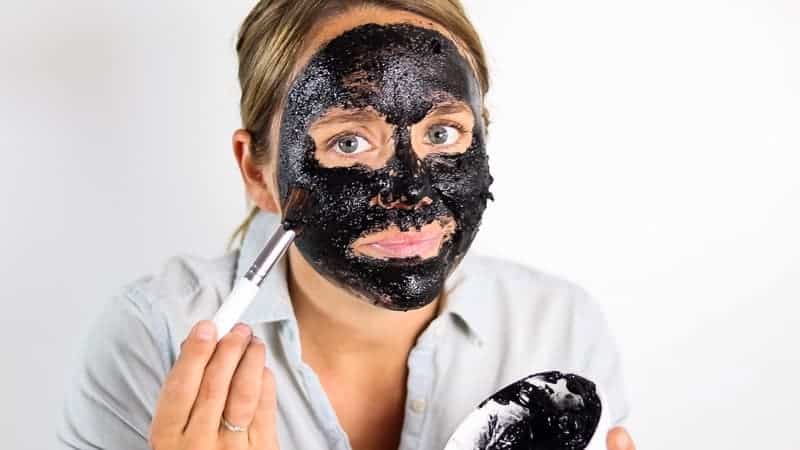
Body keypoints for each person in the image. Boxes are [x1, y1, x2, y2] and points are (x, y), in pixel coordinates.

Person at [57, 1, 636, 449]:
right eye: (349, 142)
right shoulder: (157, 340)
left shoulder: (557, 329)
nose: (410, 194)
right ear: (257, 172)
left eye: (441, 134)